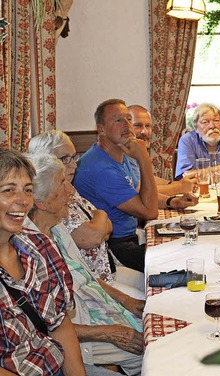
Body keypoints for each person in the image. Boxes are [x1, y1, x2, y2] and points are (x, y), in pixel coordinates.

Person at [26, 153, 144, 375]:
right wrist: (109, 332)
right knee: (150, 353)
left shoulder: (57, 228)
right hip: (86, 332)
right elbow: (47, 325)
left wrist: (127, 301)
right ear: (41, 202)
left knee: (160, 331)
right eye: (62, 184)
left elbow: (88, 276)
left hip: (104, 312)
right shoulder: (29, 252)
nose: (71, 191)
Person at [0, 149, 86, 376]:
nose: (23, 200)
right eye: (9, 190)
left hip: (56, 365)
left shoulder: (37, 245)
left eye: (28, 190)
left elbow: (60, 325)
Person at [74, 98, 158, 273]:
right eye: (118, 120)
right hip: (114, 247)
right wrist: (143, 158)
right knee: (175, 260)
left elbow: (140, 194)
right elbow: (150, 211)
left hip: (130, 237)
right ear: (101, 129)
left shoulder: (117, 154)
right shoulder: (101, 169)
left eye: (128, 119)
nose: (127, 125)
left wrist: (173, 201)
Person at [29, 130, 115, 284]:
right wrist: (100, 215)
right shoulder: (49, 202)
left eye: (74, 157)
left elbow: (108, 228)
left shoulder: (70, 190)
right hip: (87, 285)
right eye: (65, 159)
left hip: (102, 278)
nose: (74, 164)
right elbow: (92, 237)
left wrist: (99, 223)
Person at [128, 105, 199, 210]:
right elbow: (139, 190)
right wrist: (179, 187)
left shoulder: (132, 152)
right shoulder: (119, 155)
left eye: (148, 126)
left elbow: (145, 180)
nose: (144, 132)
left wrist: (176, 184)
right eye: (137, 126)